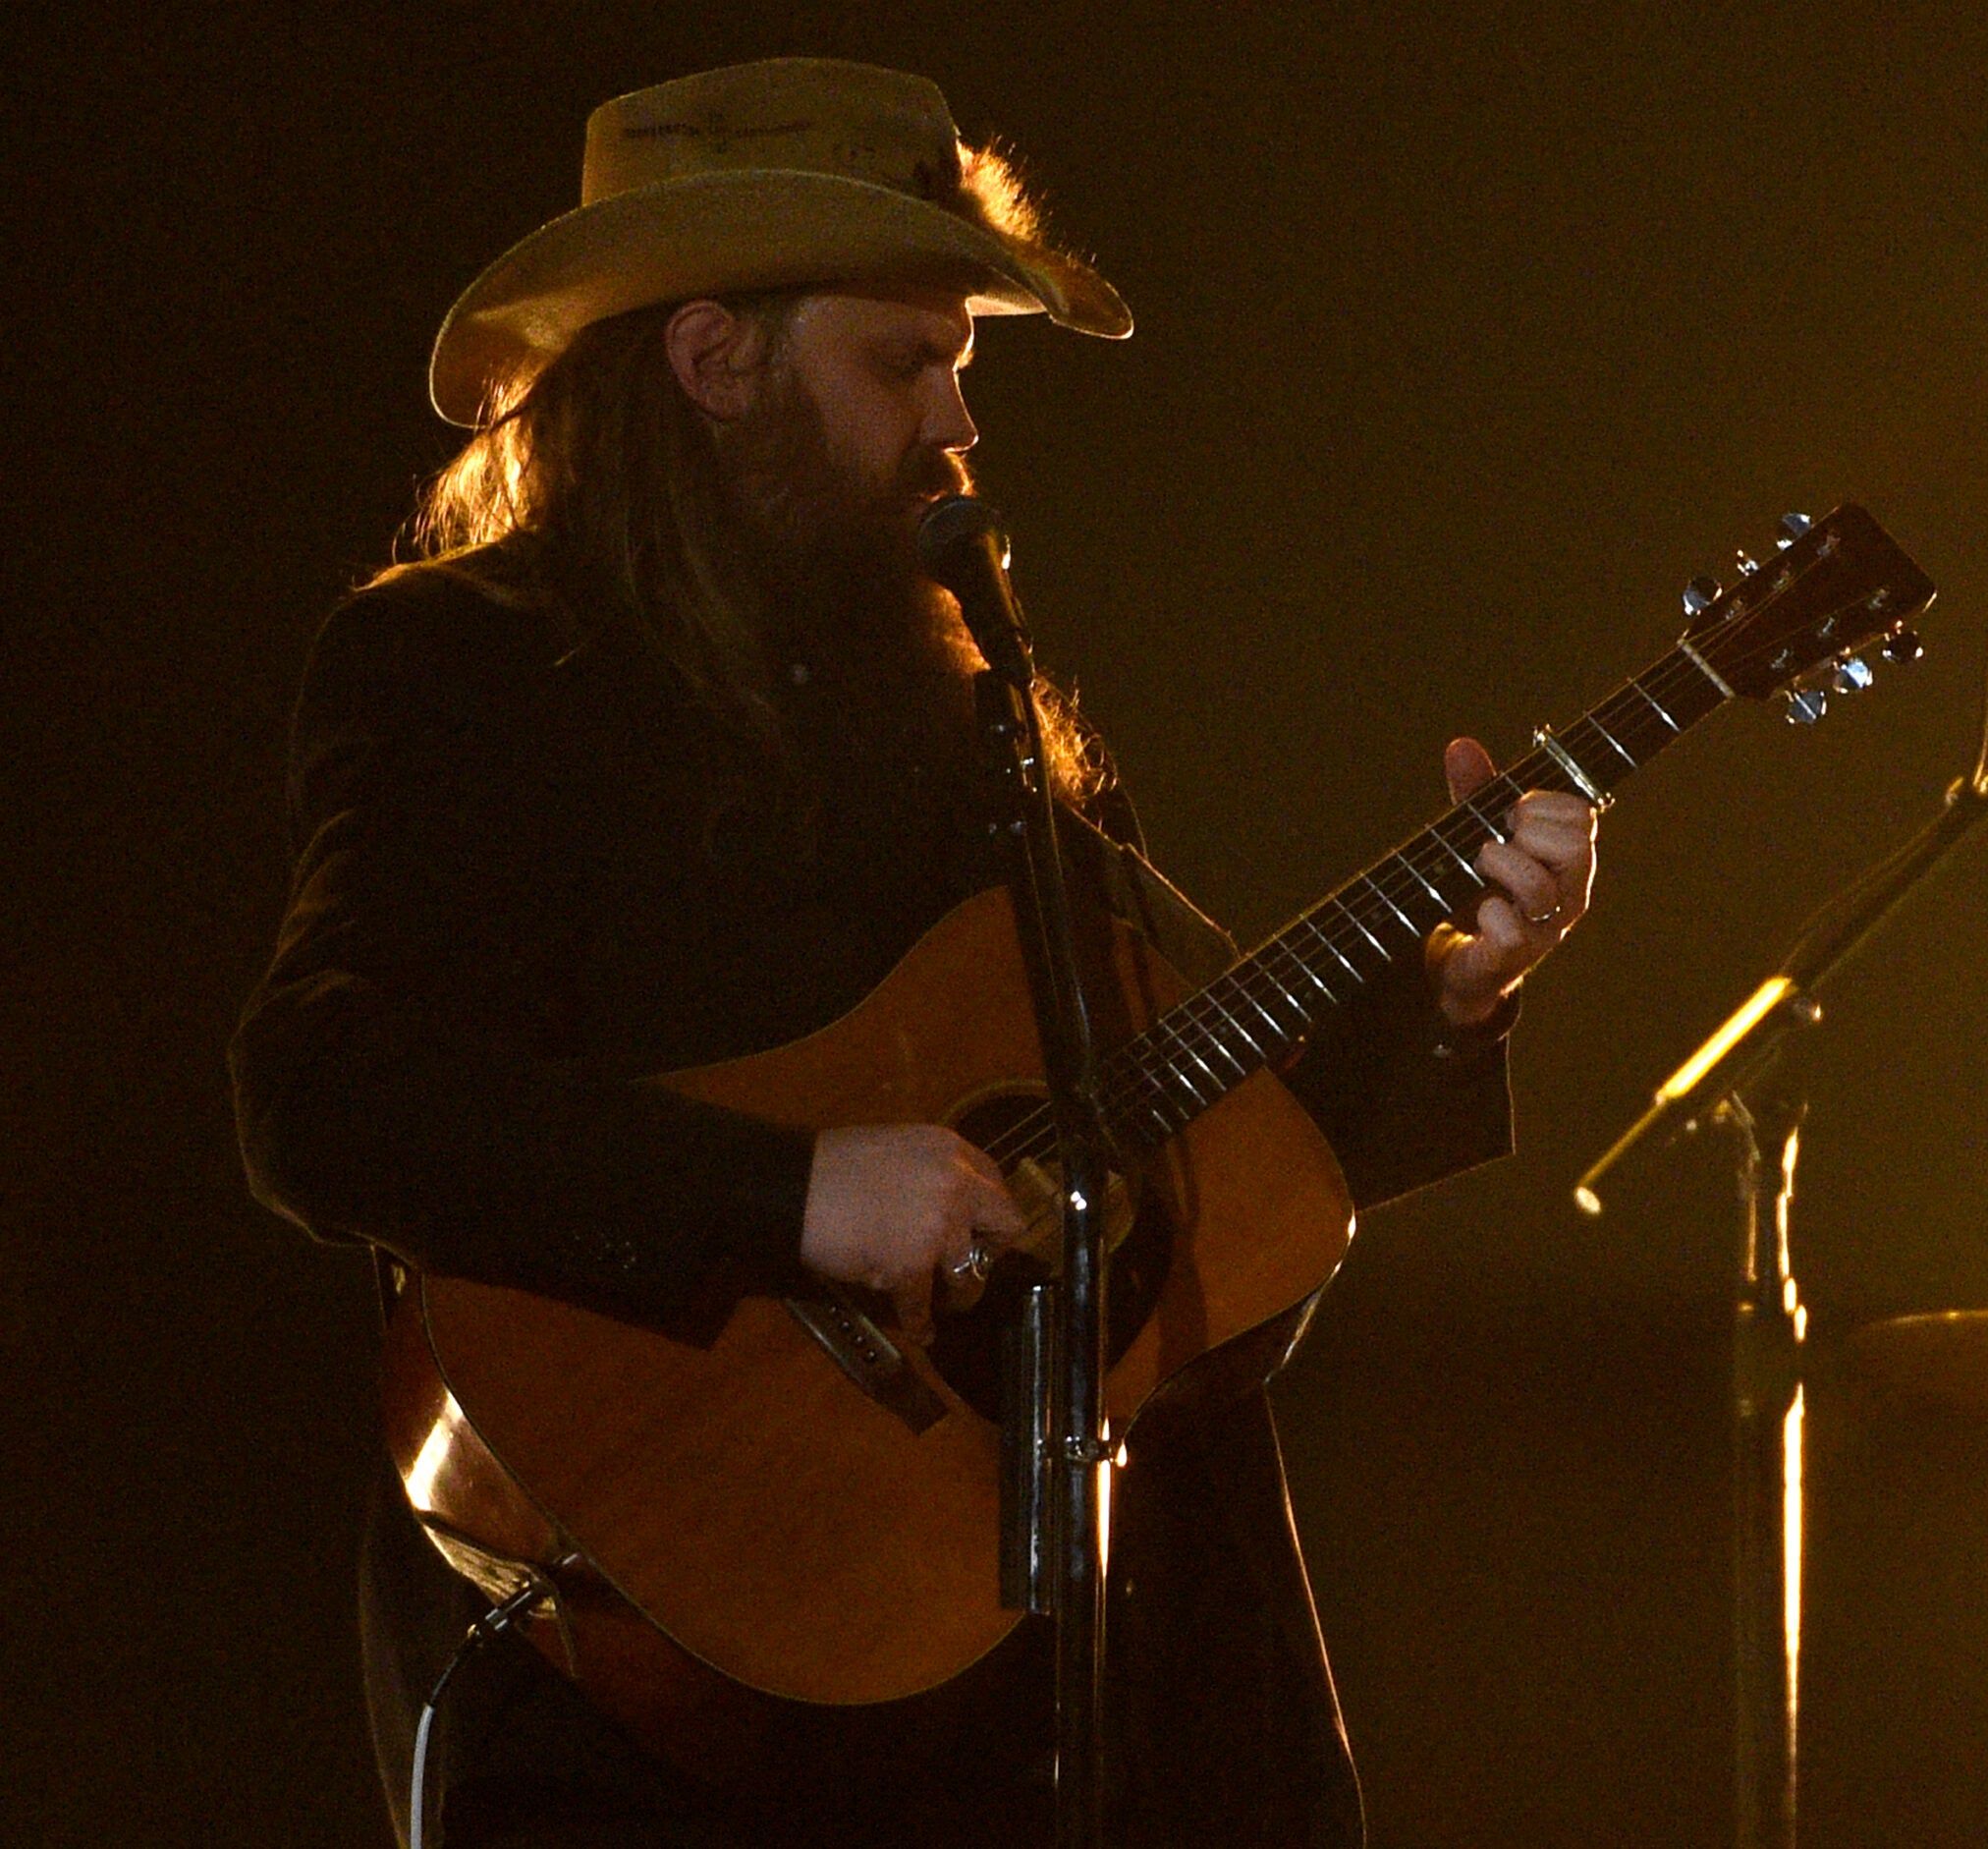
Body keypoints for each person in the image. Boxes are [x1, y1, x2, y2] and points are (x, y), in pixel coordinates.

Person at [231, 58, 1596, 1849]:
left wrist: (1453, 993)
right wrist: (793, 1196)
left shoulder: (967, 705)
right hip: (636, 1696)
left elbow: (1203, 1141)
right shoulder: (462, 663)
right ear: (712, 358)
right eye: (905, 362)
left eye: (962, 364)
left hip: (1043, 1682)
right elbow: (323, 1093)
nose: (958, 420)